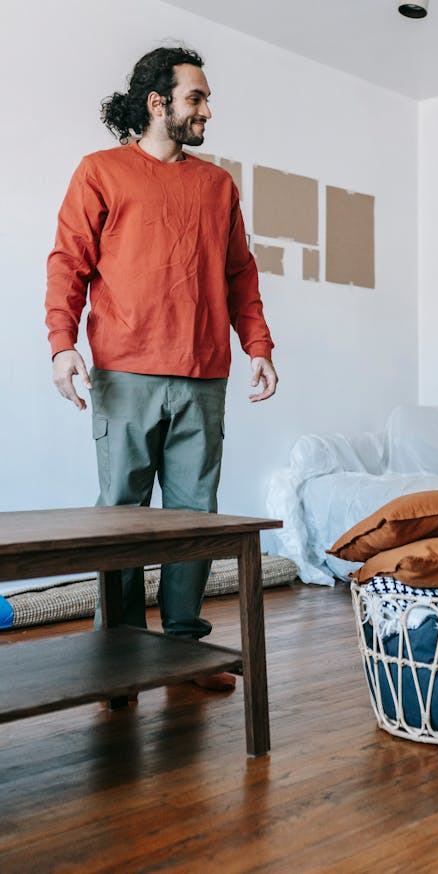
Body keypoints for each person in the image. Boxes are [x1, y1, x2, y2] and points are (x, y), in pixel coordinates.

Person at [46, 45, 278, 692]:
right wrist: (63, 344)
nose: (207, 109)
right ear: (158, 102)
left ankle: (181, 650)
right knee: (121, 515)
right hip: (124, 376)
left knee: (193, 517)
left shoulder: (218, 185)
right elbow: (68, 261)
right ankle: (115, 658)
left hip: (205, 375)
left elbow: (240, 273)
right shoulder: (101, 171)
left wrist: (258, 345)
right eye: (197, 97)